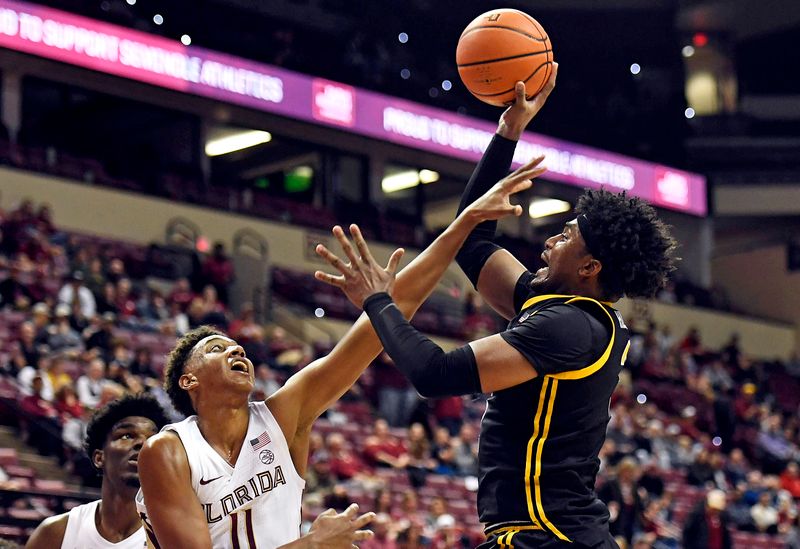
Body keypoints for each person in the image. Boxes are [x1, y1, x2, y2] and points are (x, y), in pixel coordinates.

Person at [317, 67, 679, 549]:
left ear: (590, 265)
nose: (553, 237)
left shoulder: (569, 327)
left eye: (569, 235)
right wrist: (507, 134)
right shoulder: (560, 306)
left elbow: (436, 374)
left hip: (550, 537)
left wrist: (378, 300)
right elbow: (474, 241)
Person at [135, 157, 547, 549]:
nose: (236, 347)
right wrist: (311, 543)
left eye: (234, 343)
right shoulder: (168, 451)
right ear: (189, 380)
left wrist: (465, 223)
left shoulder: (283, 417)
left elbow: (386, 317)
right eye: (215, 348)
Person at [25, 394, 171, 549]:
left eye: (151, 440)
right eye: (127, 435)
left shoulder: (173, 539)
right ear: (99, 458)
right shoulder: (56, 533)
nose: (142, 443)